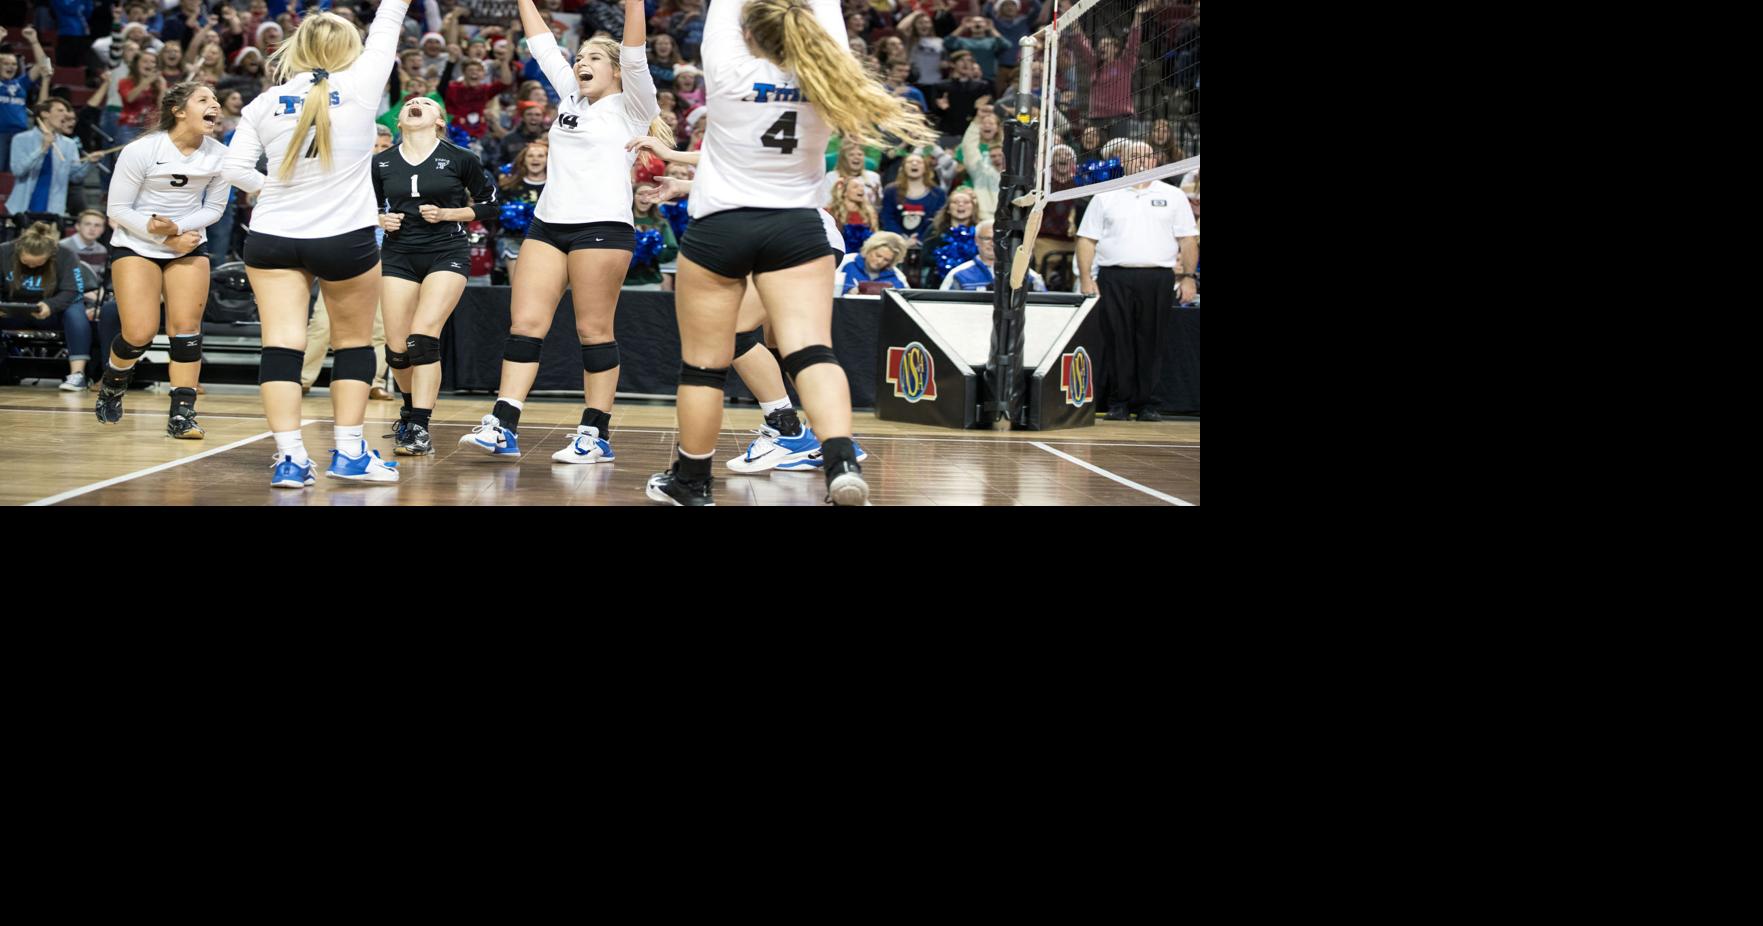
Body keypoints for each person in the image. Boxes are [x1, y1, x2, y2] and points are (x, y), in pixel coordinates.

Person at [647, 0, 933, 506]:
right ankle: (840, 462)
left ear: (749, 34)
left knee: (704, 368)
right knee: (811, 352)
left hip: (722, 227)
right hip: (797, 228)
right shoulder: (829, 77)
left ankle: (691, 481)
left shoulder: (728, 70)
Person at [457, 0, 664, 468]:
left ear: (614, 71)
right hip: (548, 224)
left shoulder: (633, 104)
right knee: (525, 325)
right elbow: (542, 44)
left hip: (603, 227)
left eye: (593, 58)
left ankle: (595, 433)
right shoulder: (570, 95)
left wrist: (633, 5)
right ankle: (503, 424)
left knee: (593, 331)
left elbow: (635, 51)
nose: (580, 62)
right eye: (580, 56)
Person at [220, 0, 413, 487]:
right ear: (348, 48)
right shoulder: (364, 83)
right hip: (343, 238)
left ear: (297, 48)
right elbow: (390, 18)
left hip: (271, 237)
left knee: (281, 346)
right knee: (351, 343)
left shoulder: (263, 103)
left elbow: (233, 170)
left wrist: (276, 188)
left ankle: (290, 459)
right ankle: (349, 452)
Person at [95, 83, 233, 436]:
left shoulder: (219, 155)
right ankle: (113, 381)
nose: (214, 105)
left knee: (186, 332)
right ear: (179, 110)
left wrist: (179, 231)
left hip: (186, 243)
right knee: (138, 333)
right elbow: (117, 209)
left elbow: (214, 209)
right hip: (137, 242)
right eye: (204, 99)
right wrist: (161, 234)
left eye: (215, 100)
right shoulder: (142, 150)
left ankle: (182, 415)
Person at [374, 95, 498, 456]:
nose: (416, 104)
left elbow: (490, 205)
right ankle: (410, 410)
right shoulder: (380, 162)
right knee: (397, 350)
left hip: (446, 251)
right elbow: (361, 206)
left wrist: (449, 214)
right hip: (398, 253)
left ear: (439, 120)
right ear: (399, 121)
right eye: (411, 102)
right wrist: (379, 219)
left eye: (425, 103)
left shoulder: (461, 158)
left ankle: (420, 426)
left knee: (422, 338)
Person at [1074, 140, 1198, 422]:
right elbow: (1086, 239)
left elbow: (1188, 239)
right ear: (1123, 161)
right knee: (1117, 339)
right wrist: (1085, 278)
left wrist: (1189, 278)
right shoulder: (1106, 195)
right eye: (1134, 156)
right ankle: (1119, 401)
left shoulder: (1173, 195)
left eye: (1146, 156)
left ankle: (1147, 403)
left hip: (1158, 276)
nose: (1141, 161)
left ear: (1155, 160)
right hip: (1114, 275)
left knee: (1152, 340)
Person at [0, 222, 95, 390]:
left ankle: (77, 374)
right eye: (27, 263)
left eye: (38, 264)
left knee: (76, 311)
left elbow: (73, 290)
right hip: (12, 311)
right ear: (18, 251)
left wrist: (50, 305)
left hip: (52, 312)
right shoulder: (4, 251)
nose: (31, 267)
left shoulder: (65, 254)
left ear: (50, 256)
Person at [6, 98, 100, 217]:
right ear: (45, 114)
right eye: (60, 110)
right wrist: (42, 149)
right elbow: (18, 170)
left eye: (66, 111)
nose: (65, 115)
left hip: (54, 212)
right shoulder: (21, 139)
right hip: (21, 209)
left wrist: (89, 163)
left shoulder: (69, 144)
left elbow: (75, 177)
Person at [940, 218, 1045, 292]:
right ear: (976, 240)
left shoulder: (1029, 276)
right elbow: (942, 309)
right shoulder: (958, 275)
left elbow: (1044, 310)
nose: (993, 243)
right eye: (987, 238)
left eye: (998, 239)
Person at [835, 230, 909, 294]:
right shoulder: (845, 261)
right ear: (869, 249)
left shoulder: (898, 276)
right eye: (878, 255)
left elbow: (905, 299)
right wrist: (847, 290)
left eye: (886, 260)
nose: (880, 261)